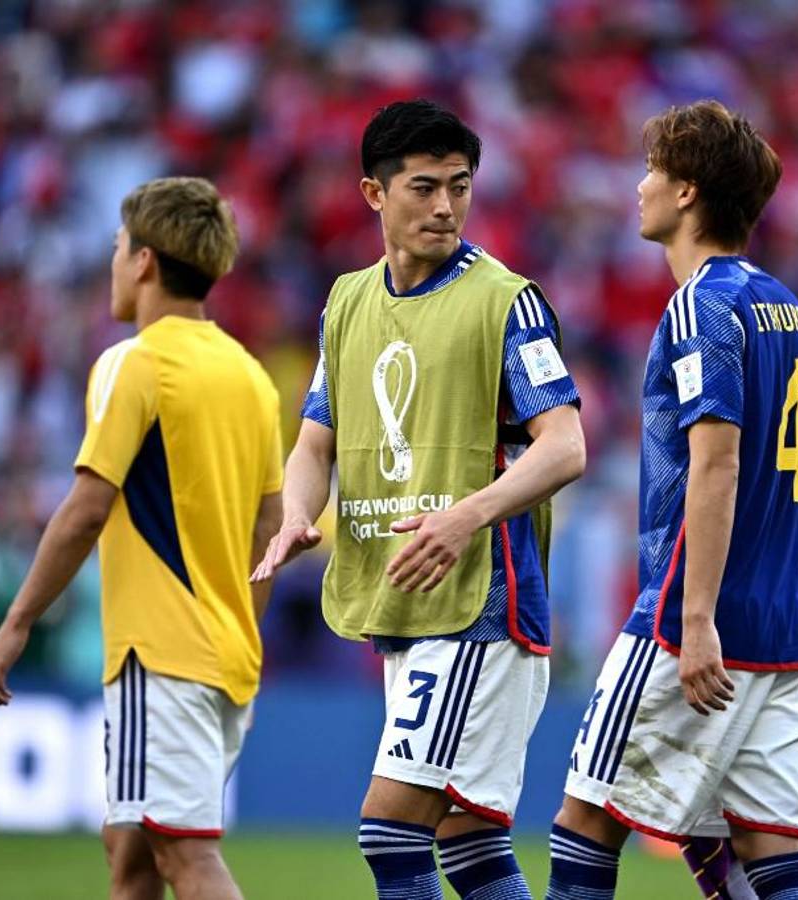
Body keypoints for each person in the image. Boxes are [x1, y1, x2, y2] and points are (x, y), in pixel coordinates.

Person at [251, 99, 585, 900]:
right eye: (424, 187)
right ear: (374, 194)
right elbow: (315, 441)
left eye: (460, 187)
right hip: (400, 601)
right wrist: (301, 512)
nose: (445, 206)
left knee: (391, 834)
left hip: (480, 604)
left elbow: (566, 445)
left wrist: (464, 515)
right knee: (470, 849)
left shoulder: (507, 302)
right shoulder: (346, 302)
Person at [0, 176, 283, 900]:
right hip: (225, 654)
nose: (114, 263)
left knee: (185, 857)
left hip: (161, 651)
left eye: (118, 248)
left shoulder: (133, 362)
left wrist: (15, 622)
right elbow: (272, 531)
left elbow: (86, 506)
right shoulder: (251, 377)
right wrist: (239, 625)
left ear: (144, 260)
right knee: (132, 856)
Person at [546, 99, 798, 900]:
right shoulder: (784, 303)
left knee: (585, 824)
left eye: (653, 171)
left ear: (689, 192)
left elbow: (718, 462)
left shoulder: (701, 305)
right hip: (782, 622)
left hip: (691, 617)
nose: (639, 187)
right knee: (769, 849)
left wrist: (694, 619)